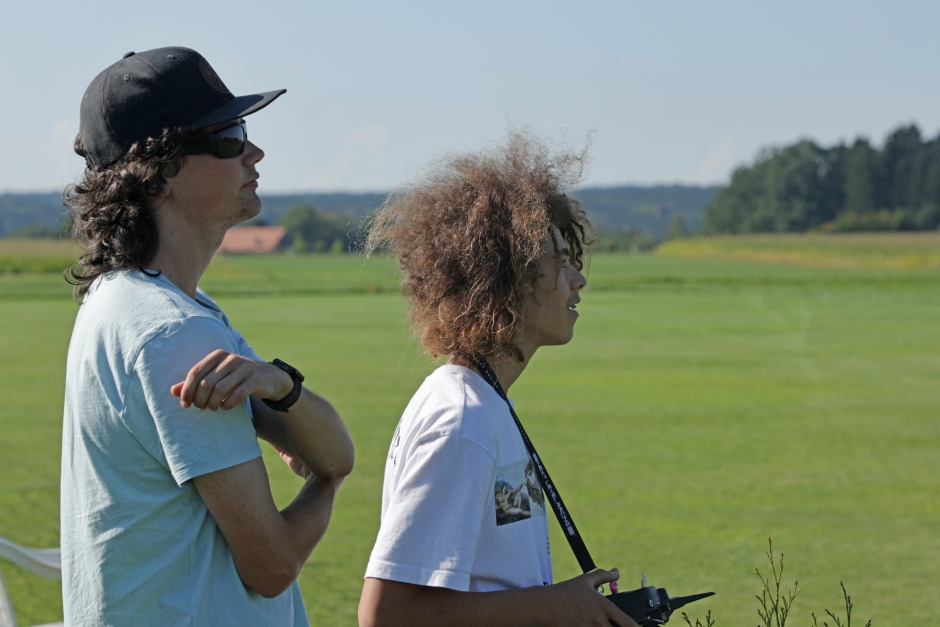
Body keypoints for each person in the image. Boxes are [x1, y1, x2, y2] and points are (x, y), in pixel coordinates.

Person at [60, 47, 355, 626]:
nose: (254, 152)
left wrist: (281, 386)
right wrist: (328, 485)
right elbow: (272, 566)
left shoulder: (136, 302)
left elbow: (336, 447)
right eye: (228, 137)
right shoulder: (174, 331)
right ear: (157, 174)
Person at [358, 132, 638, 627]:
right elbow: (386, 616)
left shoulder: (482, 402)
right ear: (507, 281)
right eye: (559, 263)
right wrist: (555, 607)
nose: (578, 279)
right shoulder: (461, 421)